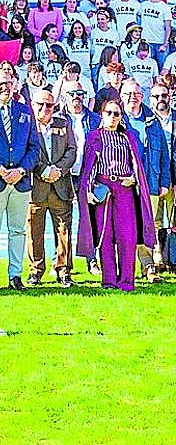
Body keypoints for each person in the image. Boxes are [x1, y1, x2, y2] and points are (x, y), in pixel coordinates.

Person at [76, 99, 158, 291]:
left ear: (121, 117)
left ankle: (127, 281)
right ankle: (109, 280)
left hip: (124, 189)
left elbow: (136, 163)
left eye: (116, 114)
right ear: (102, 114)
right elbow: (88, 166)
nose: (112, 117)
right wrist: (88, 190)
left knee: (127, 235)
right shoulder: (94, 137)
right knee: (105, 236)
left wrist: (133, 178)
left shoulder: (128, 137)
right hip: (103, 188)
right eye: (109, 113)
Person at [0, 66, 41, 290]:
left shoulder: (25, 111)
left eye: (7, 83)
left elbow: (34, 148)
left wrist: (20, 171)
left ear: (14, 85)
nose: (4, 87)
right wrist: (0, 170)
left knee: (18, 231)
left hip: (21, 182)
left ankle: (15, 275)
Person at [117, 78, 171, 283]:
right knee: (127, 227)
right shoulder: (116, 119)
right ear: (121, 96)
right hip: (125, 184)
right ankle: (128, 268)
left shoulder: (153, 121)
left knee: (147, 227)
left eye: (137, 94)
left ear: (142, 96)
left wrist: (164, 181)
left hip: (151, 182)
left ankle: (148, 267)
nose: (133, 97)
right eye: (129, 94)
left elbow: (164, 153)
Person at [26, 89, 78, 288]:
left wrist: (59, 170)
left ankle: (64, 271)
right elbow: (26, 152)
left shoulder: (64, 124)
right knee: (34, 232)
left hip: (61, 186)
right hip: (36, 188)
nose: (45, 108)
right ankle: (35, 271)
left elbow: (72, 150)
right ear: (32, 104)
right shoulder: (27, 125)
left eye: (49, 105)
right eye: (40, 104)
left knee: (64, 231)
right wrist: (43, 170)